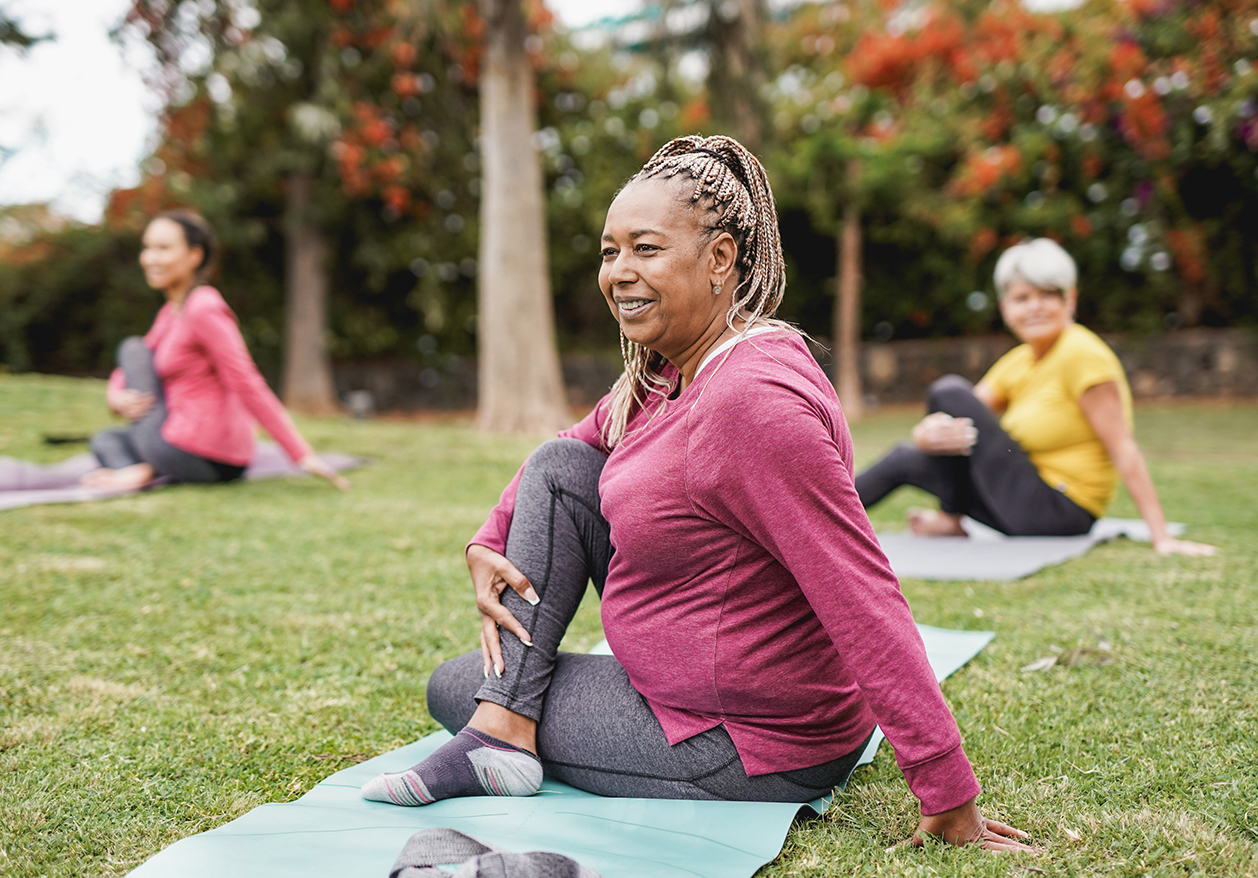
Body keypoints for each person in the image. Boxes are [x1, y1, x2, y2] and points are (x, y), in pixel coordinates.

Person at [361, 136, 1034, 852]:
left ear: (719, 259)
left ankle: (501, 727)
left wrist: (947, 791)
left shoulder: (751, 402)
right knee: (560, 471)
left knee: (452, 684)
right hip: (698, 697)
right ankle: (503, 727)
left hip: (746, 742)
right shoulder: (670, 370)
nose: (619, 272)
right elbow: (570, 448)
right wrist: (487, 538)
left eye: (645, 249)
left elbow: (860, 591)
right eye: (609, 251)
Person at [854, 238, 1213, 556]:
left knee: (947, 389)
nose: (1035, 307)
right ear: (1006, 307)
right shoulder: (1020, 360)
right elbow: (962, 415)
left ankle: (950, 518)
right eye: (1022, 298)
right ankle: (810, 530)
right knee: (905, 456)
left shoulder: (1082, 354)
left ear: (1070, 299)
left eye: (1047, 295)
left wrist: (1161, 537)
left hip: (1060, 509)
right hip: (1017, 501)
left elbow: (1122, 446)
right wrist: (925, 434)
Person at [82, 210, 348, 492]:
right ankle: (142, 469)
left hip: (200, 452)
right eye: (147, 248)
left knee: (132, 347)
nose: (150, 258)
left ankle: (143, 468)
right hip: (183, 446)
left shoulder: (203, 307)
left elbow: (247, 381)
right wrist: (115, 397)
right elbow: (133, 366)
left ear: (194, 256)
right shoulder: (171, 313)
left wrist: (301, 453)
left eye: (163, 248)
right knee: (105, 440)